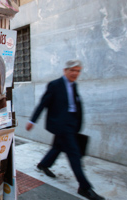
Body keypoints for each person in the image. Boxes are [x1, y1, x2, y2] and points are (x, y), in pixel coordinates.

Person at [26, 60, 105, 200]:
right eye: (73, 70)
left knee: (57, 147)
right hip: (61, 125)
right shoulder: (55, 85)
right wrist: (32, 120)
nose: (75, 73)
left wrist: (77, 123)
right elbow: (43, 104)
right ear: (65, 70)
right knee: (74, 154)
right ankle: (84, 187)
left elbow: (75, 105)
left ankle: (43, 164)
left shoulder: (74, 85)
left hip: (72, 124)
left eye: (78, 70)